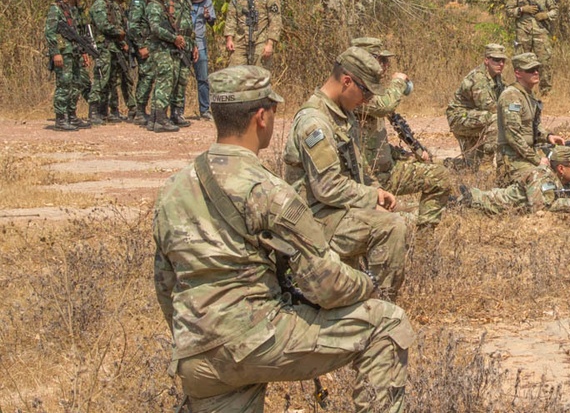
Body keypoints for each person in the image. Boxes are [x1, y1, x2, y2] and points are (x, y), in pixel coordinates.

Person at [154, 65, 411, 413]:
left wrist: (196, 336)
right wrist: (366, 283)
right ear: (262, 116)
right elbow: (325, 282)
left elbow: (166, 283)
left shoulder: (173, 188)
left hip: (196, 356)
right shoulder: (269, 190)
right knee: (387, 323)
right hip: (255, 343)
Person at [283, 47, 408, 300]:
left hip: (334, 210)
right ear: (347, 81)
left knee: (402, 214)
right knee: (392, 227)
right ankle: (381, 304)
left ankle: (360, 291)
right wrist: (371, 197)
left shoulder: (341, 114)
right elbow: (327, 187)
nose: (367, 100)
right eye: (366, 92)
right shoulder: (315, 122)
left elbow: (358, 167)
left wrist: (378, 193)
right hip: (313, 218)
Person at [353, 37, 453, 229]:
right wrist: (398, 82)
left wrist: (401, 154)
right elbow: (384, 106)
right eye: (380, 60)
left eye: (385, 61)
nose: (385, 65)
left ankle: (425, 240)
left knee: (439, 176)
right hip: (365, 179)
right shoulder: (353, 89)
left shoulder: (372, 89)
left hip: (383, 171)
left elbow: (373, 140)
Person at [496, 52, 565, 186]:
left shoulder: (528, 95)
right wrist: (537, 160)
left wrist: (547, 136)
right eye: (530, 70)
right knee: (544, 182)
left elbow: (533, 125)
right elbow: (513, 136)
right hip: (512, 159)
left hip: (526, 154)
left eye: (537, 69)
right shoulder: (511, 97)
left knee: (567, 165)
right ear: (518, 73)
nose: (535, 73)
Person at [462, 145, 570, 214]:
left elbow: (560, 194)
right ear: (561, 168)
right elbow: (539, 209)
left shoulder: (558, 179)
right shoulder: (540, 176)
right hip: (481, 204)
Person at [445, 43, 507, 168]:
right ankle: (487, 162)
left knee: (472, 167)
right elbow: (490, 107)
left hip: (476, 117)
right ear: (486, 60)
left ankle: (449, 164)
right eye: (496, 60)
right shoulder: (478, 78)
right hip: (460, 118)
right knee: (496, 118)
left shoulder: (497, 78)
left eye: (503, 60)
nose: (500, 63)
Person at [505, 0, 557, 95]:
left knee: (545, 61)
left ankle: (546, 91)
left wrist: (546, 15)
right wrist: (522, 9)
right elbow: (508, 10)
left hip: (541, 32)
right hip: (523, 33)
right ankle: (522, 90)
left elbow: (555, 10)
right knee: (521, 62)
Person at [145, 0, 186, 133]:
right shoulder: (154, 6)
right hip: (160, 50)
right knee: (165, 81)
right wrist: (173, 38)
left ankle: (155, 118)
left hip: (164, 48)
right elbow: (156, 29)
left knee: (163, 82)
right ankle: (161, 119)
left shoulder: (159, 5)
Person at [44, 0, 87, 131]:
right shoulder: (55, 9)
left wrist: (83, 51)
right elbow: (50, 33)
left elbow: (76, 33)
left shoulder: (69, 10)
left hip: (73, 53)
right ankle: (61, 118)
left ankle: (71, 114)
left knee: (75, 83)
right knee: (64, 84)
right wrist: (56, 53)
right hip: (64, 54)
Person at [86, 0, 128, 125]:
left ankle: (104, 111)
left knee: (110, 81)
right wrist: (118, 32)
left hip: (112, 47)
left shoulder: (109, 4)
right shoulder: (99, 5)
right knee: (100, 79)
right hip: (103, 47)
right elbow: (103, 25)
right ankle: (93, 111)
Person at [225, 0, 281, 67]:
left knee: (259, 75)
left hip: (260, 41)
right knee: (235, 74)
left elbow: (275, 22)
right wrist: (229, 38)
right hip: (240, 40)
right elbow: (231, 18)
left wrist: (270, 44)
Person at [168, 0, 198, 126]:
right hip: (173, 44)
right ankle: (163, 113)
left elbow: (190, 25)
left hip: (187, 44)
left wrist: (194, 45)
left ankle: (178, 112)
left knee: (182, 80)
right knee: (171, 79)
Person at [129, 0, 156, 126]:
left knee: (150, 76)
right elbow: (133, 26)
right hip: (144, 45)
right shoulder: (139, 0)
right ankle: (139, 111)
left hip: (152, 44)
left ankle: (142, 109)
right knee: (146, 77)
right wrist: (140, 45)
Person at [188, 0, 217, 120]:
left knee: (203, 78)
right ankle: (176, 111)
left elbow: (212, 21)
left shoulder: (206, 1)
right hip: (183, 42)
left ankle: (205, 110)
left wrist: (208, 17)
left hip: (199, 41)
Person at [112, 0, 136, 121]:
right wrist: (123, 44)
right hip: (115, 48)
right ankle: (113, 109)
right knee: (113, 80)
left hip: (122, 49)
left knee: (127, 79)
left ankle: (132, 108)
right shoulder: (111, 8)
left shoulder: (120, 8)